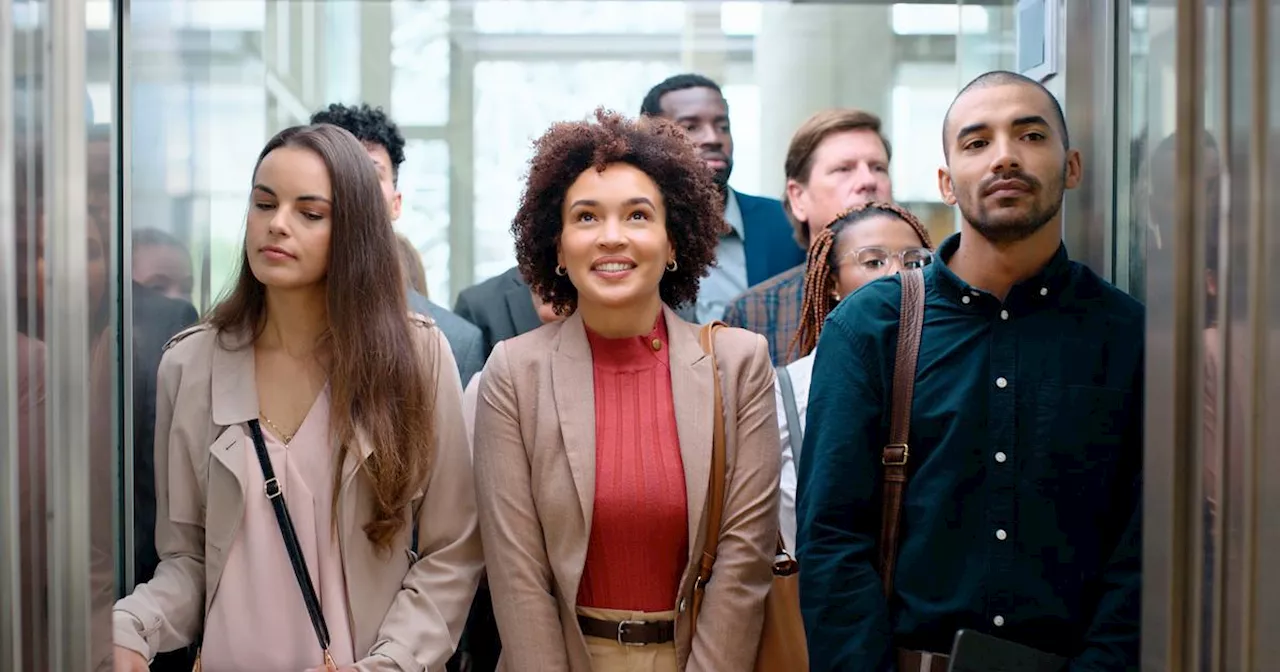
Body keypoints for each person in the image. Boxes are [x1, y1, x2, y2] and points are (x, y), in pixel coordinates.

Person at [798, 70, 1143, 671]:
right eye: (977, 142)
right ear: (946, 182)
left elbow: (1143, 550)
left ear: (1073, 167)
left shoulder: (1127, 333)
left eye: (1031, 136)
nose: (1005, 157)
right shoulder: (871, 327)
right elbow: (831, 540)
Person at [112, 124, 483, 671]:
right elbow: (189, 560)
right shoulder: (190, 365)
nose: (277, 225)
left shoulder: (418, 358)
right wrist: (132, 625)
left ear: (355, 229)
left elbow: (451, 555)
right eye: (264, 203)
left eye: (310, 213)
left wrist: (391, 664)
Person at [473, 109, 780, 671]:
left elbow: (743, 566)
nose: (612, 237)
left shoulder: (738, 366)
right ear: (558, 249)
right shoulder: (514, 374)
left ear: (673, 243)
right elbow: (518, 581)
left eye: (638, 216)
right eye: (586, 217)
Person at [774, 202, 933, 551]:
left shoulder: (954, 377)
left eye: (914, 261)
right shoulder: (785, 394)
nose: (897, 274)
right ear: (832, 283)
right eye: (873, 261)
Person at [310, 103, 485, 386]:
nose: (355, 186)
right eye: (336, 171)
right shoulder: (253, 329)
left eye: (370, 173)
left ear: (396, 203)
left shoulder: (453, 342)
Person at [722, 109, 894, 364]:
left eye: (878, 167)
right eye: (844, 169)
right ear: (798, 197)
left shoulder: (926, 298)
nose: (868, 180)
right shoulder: (754, 314)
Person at [641, 73, 804, 322]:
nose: (714, 138)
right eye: (691, 127)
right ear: (650, 142)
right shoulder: (632, 229)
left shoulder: (785, 223)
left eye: (723, 126)